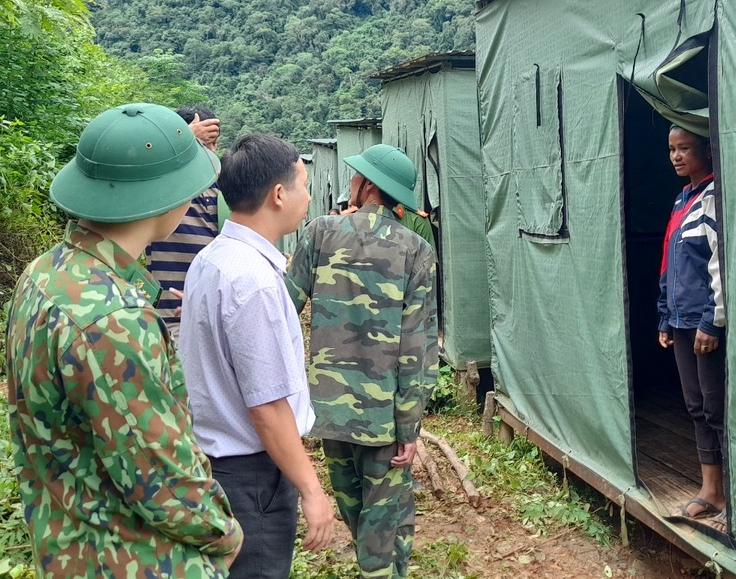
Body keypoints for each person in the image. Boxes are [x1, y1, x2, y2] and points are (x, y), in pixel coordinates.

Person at [4, 103, 243, 578]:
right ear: (169, 196)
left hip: (69, 546)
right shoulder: (113, 317)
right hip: (135, 559)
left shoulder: (46, 272)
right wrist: (224, 534)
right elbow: (162, 481)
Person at [177, 134, 334, 579]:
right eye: (304, 184)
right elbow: (266, 406)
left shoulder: (212, 259)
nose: (308, 195)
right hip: (252, 478)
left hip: (216, 463)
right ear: (279, 195)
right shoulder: (253, 282)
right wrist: (311, 489)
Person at [286, 143, 439, 579]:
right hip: (384, 416)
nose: (350, 182)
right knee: (384, 512)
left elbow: (280, 309)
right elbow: (417, 345)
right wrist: (409, 425)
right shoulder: (415, 250)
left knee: (358, 506)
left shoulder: (319, 232)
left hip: (329, 409)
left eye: (355, 177)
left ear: (368, 186)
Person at [657, 124, 728, 534]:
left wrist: (710, 321)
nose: (676, 156)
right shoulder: (683, 198)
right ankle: (710, 491)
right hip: (682, 321)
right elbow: (670, 262)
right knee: (696, 405)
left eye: (685, 148)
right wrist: (665, 315)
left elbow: (719, 262)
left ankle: (735, 501)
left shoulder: (714, 196)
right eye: (671, 149)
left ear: (706, 149)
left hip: (706, 322)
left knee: (717, 409)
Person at [145, 105, 224, 340]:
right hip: (166, 325)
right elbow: (141, 175)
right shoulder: (162, 192)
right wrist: (185, 140)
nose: (210, 153)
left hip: (211, 324)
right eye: (202, 144)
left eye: (212, 144)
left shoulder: (224, 190)